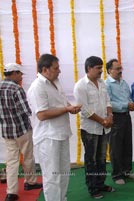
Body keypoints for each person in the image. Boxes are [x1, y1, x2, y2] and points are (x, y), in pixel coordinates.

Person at [27, 54, 81, 201]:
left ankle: (61, 198)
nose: (59, 71)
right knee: (52, 175)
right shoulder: (37, 87)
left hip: (61, 133)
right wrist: (67, 109)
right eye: (56, 68)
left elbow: (62, 104)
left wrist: (71, 107)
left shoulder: (55, 82)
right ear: (45, 69)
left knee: (64, 172)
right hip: (47, 137)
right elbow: (42, 115)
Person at [73, 56, 115, 199]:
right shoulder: (80, 86)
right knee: (91, 160)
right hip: (90, 129)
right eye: (98, 68)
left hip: (104, 127)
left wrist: (109, 117)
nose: (101, 71)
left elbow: (108, 101)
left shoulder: (102, 83)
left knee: (102, 158)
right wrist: (102, 120)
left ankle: (101, 184)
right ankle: (92, 188)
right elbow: (84, 110)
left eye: (101, 68)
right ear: (89, 68)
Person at [0, 63, 42, 201]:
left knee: (11, 162)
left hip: (7, 131)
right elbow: (26, 111)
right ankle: (30, 182)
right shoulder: (17, 89)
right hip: (22, 129)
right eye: (19, 74)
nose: (21, 77)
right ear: (14, 73)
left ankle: (11, 192)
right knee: (28, 156)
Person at [105, 59, 134, 185]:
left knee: (127, 144)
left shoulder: (123, 82)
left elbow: (128, 97)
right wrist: (125, 105)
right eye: (117, 69)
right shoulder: (106, 84)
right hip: (115, 118)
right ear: (109, 70)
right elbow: (108, 103)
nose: (120, 71)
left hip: (126, 116)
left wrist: (131, 104)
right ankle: (117, 174)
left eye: (120, 68)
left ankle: (126, 171)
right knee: (116, 147)